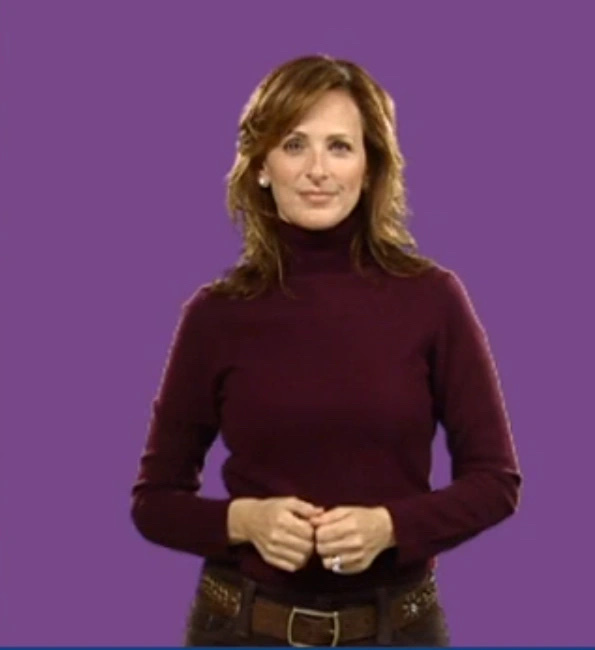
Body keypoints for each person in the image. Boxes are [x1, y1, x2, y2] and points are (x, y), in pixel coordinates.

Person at [131, 54, 522, 647]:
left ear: (370, 167)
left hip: (398, 629)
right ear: (262, 166)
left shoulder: (433, 299)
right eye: (294, 145)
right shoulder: (214, 315)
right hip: (240, 627)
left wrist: (391, 526)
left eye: (339, 146)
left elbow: (495, 482)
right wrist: (243, 521)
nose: (317, 170)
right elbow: (154, 502)